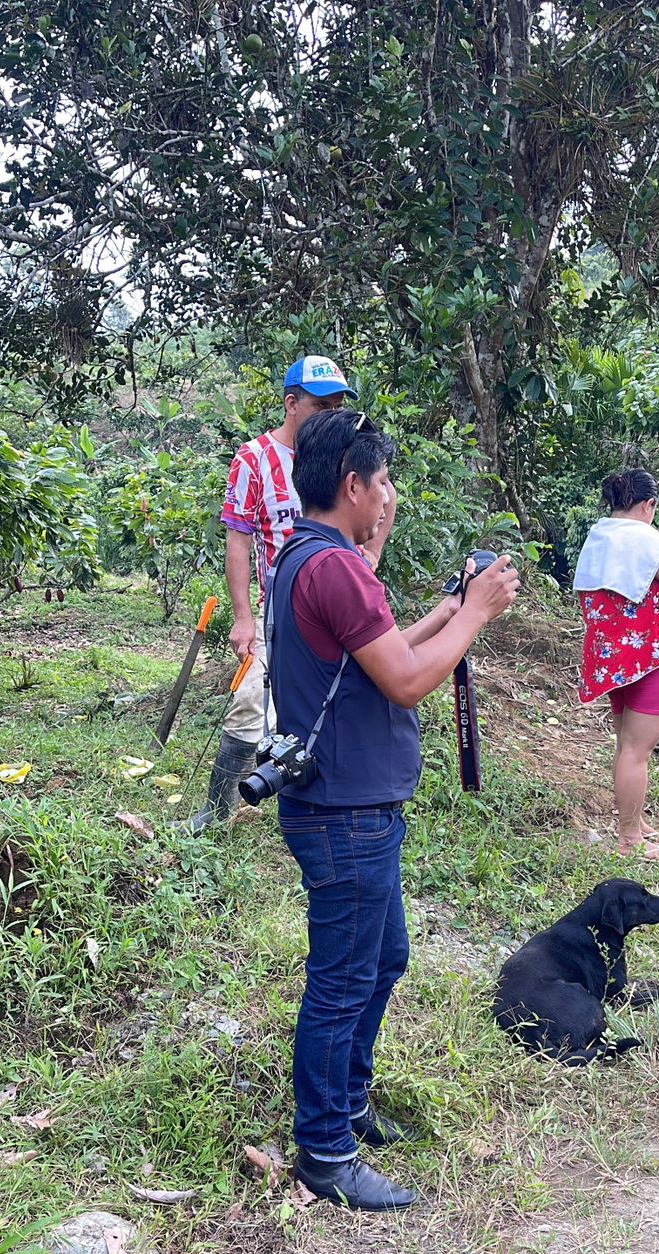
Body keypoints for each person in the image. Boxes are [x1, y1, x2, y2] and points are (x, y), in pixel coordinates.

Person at [266, 409, 520, 1211]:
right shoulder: (334, 567)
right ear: (352, 485)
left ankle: (347, 1103)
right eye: (383, 483)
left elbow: (380, 658)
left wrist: (448, 612)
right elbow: (407, 682)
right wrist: (477, 612)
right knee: (343, 981)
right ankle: (325, 1152)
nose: (389, 497)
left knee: (382, 961)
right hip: (345, 813)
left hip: (349, 807)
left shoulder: (307, 555)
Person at [185, 356, 395, 834]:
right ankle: (220, 809)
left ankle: (316, 805)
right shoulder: (254, 459)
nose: (332, 414)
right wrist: (243, 617)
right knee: (249, 701)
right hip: (278, 610)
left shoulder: (345, 452)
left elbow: (387, 493)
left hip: (337, 607)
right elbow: (239, 540)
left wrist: (372, 553)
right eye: (322, 405)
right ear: (291, 403)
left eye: (338, 406)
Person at [574, 468, 659, 863]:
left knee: (626, 746)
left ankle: (633, 821)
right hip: (652, 658)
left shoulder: (597, 538)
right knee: (637, 751)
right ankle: (630, 839)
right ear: (649, 504)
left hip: (614, 659)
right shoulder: (648, 540)